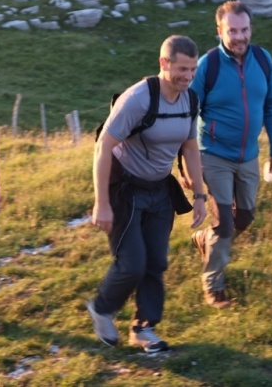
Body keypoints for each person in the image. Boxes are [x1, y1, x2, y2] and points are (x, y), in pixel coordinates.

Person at [87, 35, 207, 353]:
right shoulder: (138, 99)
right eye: (182, 69)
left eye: (193, 69)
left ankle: (143, 328)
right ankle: (102, 308)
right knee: (132, 263)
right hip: (125, 190)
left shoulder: (190, 100)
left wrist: (199, 195)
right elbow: (103, 147)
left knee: (155, 262)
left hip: (160, 190)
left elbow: (190, 147)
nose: (188, 76)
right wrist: (102, 203)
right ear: (164, 63)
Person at [188, 0, 272, 308]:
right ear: (220, 31)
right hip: (212, 154)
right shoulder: (208, 66)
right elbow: (188, 114)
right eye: (232, 31)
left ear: (250, 29)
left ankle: (205, 240)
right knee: (224, 223)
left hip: (249, 156)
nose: (239, 37)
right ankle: (213, 287)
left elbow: (271, 106)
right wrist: (186, 163)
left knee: (245, 216)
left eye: (244, 30)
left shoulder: (263, 60)